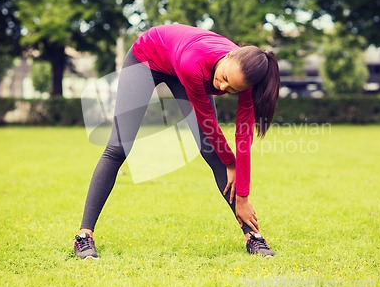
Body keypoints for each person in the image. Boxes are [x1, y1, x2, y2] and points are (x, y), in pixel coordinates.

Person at [74, 24, 280, 260]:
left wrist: (242, 193)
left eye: (231, 89)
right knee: (118, 148)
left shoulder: (245, 74)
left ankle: (252, 236)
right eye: (223, 79)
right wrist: (231, 162)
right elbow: (207, 122)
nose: (221, 87)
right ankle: (83, 236)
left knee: (213, 155)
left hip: (181, 59)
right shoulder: (194, 63)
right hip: (147, 58)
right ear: (230, 55)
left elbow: (244, 136)